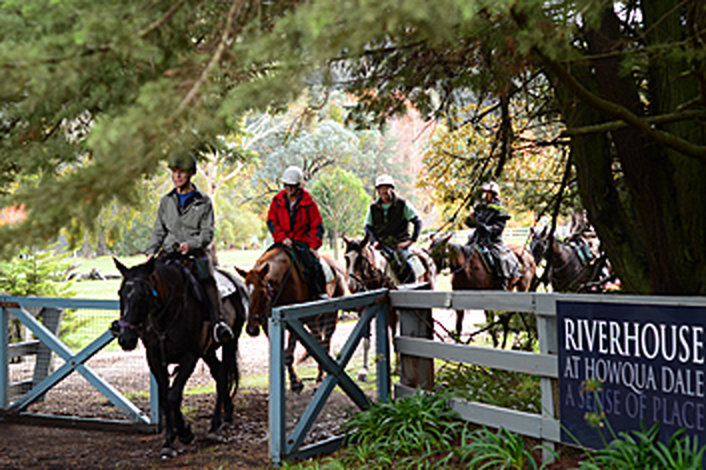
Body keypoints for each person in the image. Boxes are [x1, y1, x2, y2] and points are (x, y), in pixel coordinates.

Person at [146, 151, 234, 343]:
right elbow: (158, 230)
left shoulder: (204, 202)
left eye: (182, 172)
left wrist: (191, 244)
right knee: (144, 282)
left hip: (195, 255)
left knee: (208, 280)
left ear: (190, 174)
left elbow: (207, 233)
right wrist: (151, 252)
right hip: (168, 255)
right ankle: (141, 325)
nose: (177, 176)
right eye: (174, 172)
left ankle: (218, 323)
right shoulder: (166, 201)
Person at [267, 165, 328, 300]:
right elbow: (271, 222)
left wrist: (313, 246)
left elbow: (316, 226)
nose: (288, 189)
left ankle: (319, 293)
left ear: (299, 185)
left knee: (314, 265)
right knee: (264, 263)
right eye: (286, 185)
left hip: (301, 242)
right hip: (282, 242)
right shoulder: (277, 201)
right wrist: (282, 238)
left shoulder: (309, 203)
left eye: (292, 186)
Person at [364, 174, 422, 283]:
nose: (383, 192)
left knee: (405, 265)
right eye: (381, 189)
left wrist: (411, 241)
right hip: (381, 245)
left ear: (392, 189)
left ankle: (412, 287)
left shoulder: (402, 204)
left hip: (399, 244)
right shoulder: (373, 208)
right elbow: (368, 227)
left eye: (386, 188)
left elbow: (418, 222)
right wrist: (373, 241)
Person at [465, 181, 521, 289]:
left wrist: (485, 228)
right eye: (484, 192)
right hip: (477, 238)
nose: (484, 195)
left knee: (499, 258)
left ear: (493, 194)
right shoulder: (480, 207)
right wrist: (470, 219)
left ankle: (502, 282)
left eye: (487, 193)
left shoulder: (500, 210)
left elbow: (498, 228)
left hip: (493, 240)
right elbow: (472, 223)